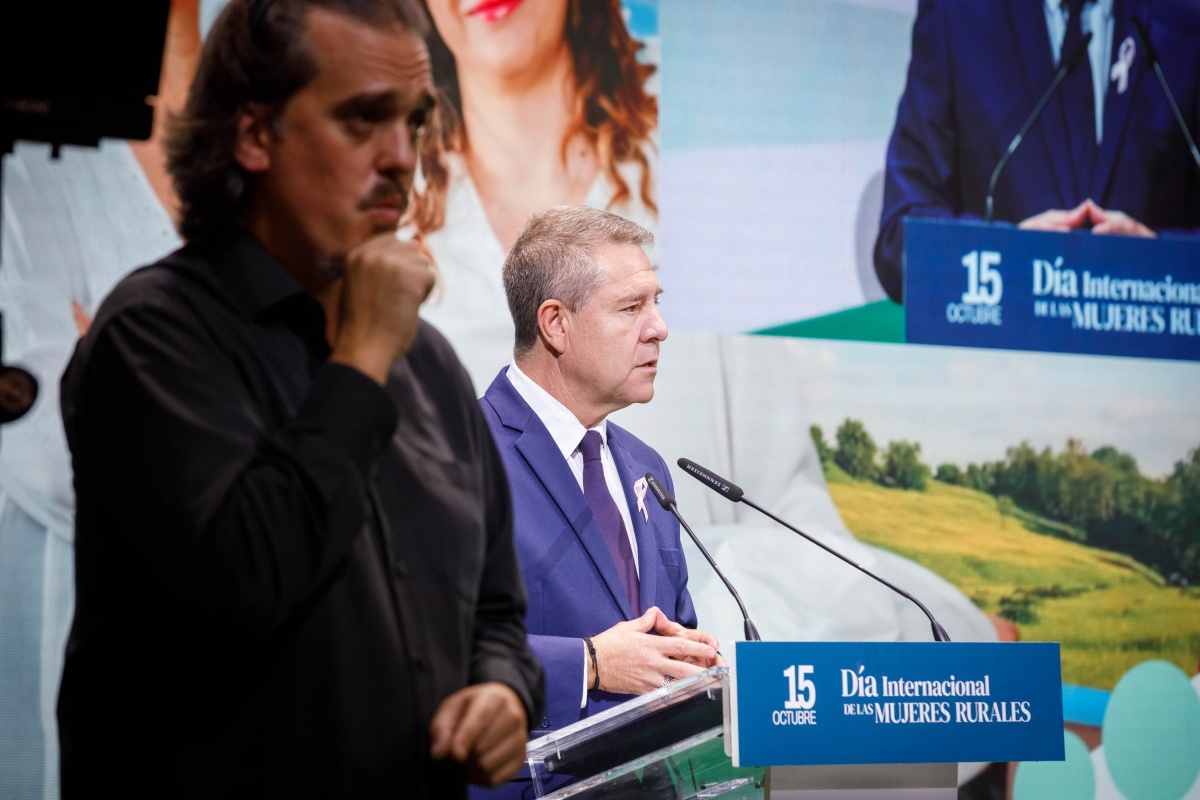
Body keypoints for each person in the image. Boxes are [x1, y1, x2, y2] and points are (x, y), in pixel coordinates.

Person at [56, 1, 542, 797]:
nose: (402, 158)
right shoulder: (152, 334)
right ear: (254, 135)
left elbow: (496, 611)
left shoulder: (429, 361)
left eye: (415, 121)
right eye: (362, 119)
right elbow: (245, 585)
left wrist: (502, 690)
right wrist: (361, 359)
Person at [874, 0, 1200, 303]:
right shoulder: (957, 15)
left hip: (1150, 339)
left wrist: (1164, 262)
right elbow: (899, 240)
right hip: (1002, 341)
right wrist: (1007, 253)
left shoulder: (1187, 21)